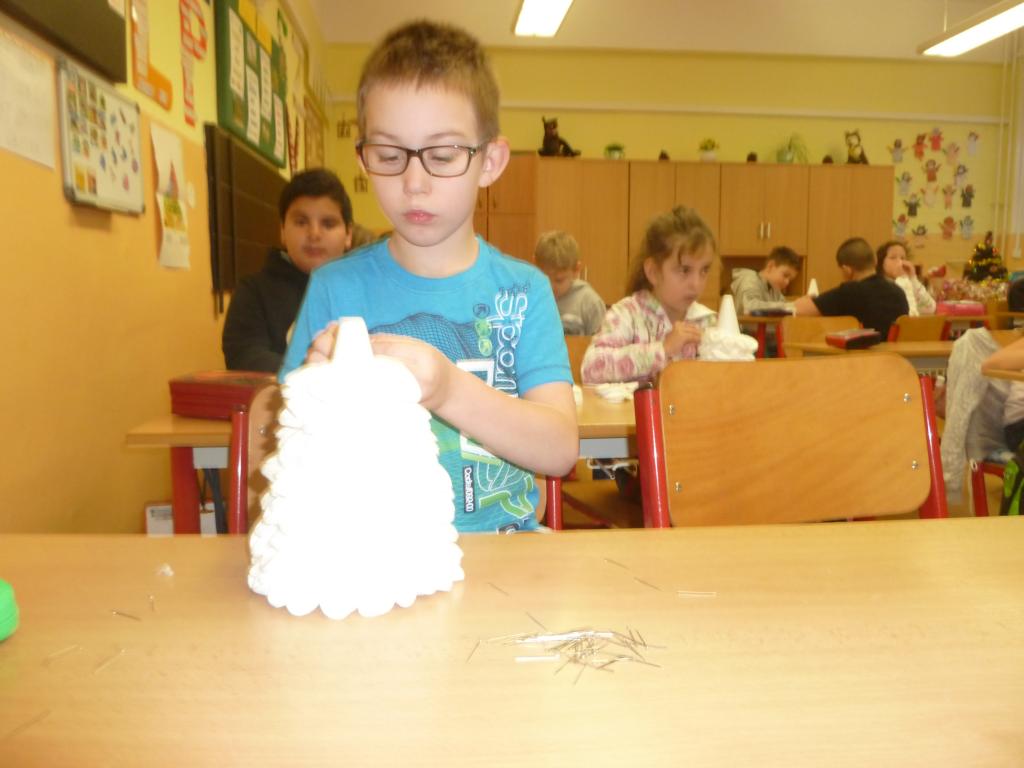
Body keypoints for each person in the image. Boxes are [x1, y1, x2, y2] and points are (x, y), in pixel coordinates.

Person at [280, 20, 577, 534]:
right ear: (363, 160)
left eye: (441, 156)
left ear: (490, 161)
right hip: (374, 554)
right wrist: (314, 393)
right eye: (389, 156)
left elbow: (559, 449)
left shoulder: (525, 291)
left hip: (505, 554)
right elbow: (286, 441)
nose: (414, 182)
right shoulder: (334, 287)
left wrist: (447, 390)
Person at [222, 168, 354, 372]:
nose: (314, 234)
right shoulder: (253, 293)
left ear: (348, 234)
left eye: (328, 224)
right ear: (283, 230)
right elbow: (245, 356)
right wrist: (317, 377)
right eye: (301, 222)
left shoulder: (367, 290)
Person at [581, 206, 717, 384]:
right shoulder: (627, 314)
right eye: (684, 270)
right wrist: (663, 350)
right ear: (653, 272)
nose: (696, 284)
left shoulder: (707, 322)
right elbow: (591, 368)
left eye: (704, 270)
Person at [792, 236, 908, 337]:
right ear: (875, 261)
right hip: (895, 354)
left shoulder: (850, 292)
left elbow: (796, 309)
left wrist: (807, 298)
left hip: (861, 354)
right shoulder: (898, 292)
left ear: (847, 270)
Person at [534, 230, 606, 335]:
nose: (551, 287)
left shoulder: (589, 302)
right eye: (544, 278)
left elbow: (603, 341)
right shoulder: (530, 297)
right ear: (535, 265)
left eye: (559, 280)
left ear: (576, 270)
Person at [730, 245, 801, 316]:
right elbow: (749, 307)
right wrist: (792, 306)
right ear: (770, 266)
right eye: (785, 275)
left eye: (790, 279)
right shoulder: (749, 279)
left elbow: (784, 307)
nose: (787, 282)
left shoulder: (775, 290)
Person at [876, 240, 935, 316]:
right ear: (881, 263)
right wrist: (902, 279)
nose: (899, 261)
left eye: (903, 258)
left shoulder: (908, 283)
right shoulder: (879, 287)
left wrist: (913, 278)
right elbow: (906, 313)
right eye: (893, 258)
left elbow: (930, 308)